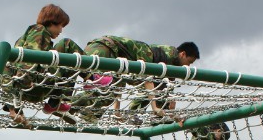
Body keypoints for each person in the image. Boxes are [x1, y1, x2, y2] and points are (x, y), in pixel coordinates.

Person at [71, 36, 200, 121]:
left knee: (107, 92)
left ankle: (74, 109)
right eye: (189, 62)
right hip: (103, 49)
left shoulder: (162, 64)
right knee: (102, 90)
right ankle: (68, 106)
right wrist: (155, 107)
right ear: (182, 54)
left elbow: (119, 83)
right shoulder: (150, 54)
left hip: (101, 50)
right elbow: (148, 80)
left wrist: (117, 112)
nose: (188, 66)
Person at [3, 4, 86, 126]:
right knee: (67, 45)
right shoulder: (39, 30)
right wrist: (26, 81)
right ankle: (91, 78)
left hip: (21, 89)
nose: (61, 31)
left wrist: (13, 109)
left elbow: (11, 69)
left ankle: (55, 103)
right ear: (53, 22)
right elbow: (31, 58)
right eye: (61, 26)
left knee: (61, 53)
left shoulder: (24, 38)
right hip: (33, 85)